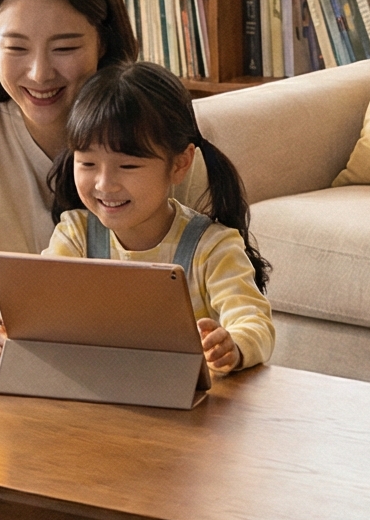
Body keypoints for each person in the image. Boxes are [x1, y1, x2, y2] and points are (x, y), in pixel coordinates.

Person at [0, 0, 206, 369]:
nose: (39, 73)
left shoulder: (148, 121)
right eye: (16, 47)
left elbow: (194, 266)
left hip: (135, 363)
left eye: (66, 47)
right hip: (21, 359)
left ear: (104, 40)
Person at [46, 62, 274, 377]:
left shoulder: (212, 248)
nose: (104, 184)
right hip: (98, 395)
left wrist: (233, 344)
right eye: (87, 163)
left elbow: (254, 322)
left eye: (127, 166)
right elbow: (43, 313)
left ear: (180, 164)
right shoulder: (74, 236)